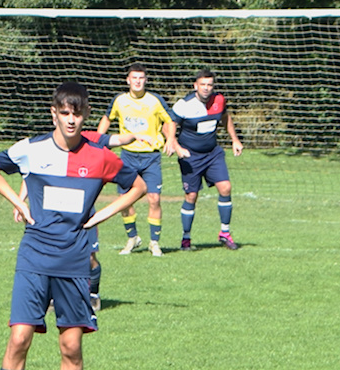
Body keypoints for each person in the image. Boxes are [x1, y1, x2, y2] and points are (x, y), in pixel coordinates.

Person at [0, 82, 145, 370]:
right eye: (64, 113)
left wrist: (100, 215)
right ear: (53, 113)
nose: (71, 120)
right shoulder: (32, 149)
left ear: (85, 116)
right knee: (19, 337)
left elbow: (137, 187)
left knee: (71, 345)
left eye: (77, 113)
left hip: (74, 261)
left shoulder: (100, 156)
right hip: (34, 257)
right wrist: (18, 201)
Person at [101, 63, 180, 256]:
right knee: (125, 200)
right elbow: (107, 118)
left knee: (154, 199)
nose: (137, 81)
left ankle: (154, 243)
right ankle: (132, 238)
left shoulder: (154, 100)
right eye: (134, 78)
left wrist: (171, 139)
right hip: (128, 156)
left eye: (141, 78)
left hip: (151, 157)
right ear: (127, 80)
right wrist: (98, 141)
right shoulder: (120, 101)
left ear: (146, 80)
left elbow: (169, 120)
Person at [171, 71, 244, 249]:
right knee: (191, 196)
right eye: (202, 84)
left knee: (225, 187)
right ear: (195, 86)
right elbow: (169, 124)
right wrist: (175, 145)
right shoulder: (184, 105)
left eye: (209, 85)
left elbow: (226, 118)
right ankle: (186, 238)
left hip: (212, 154)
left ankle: (225, 233)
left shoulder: (219, 100)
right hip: (190, 156)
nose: (206, 88)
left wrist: (234, 139)